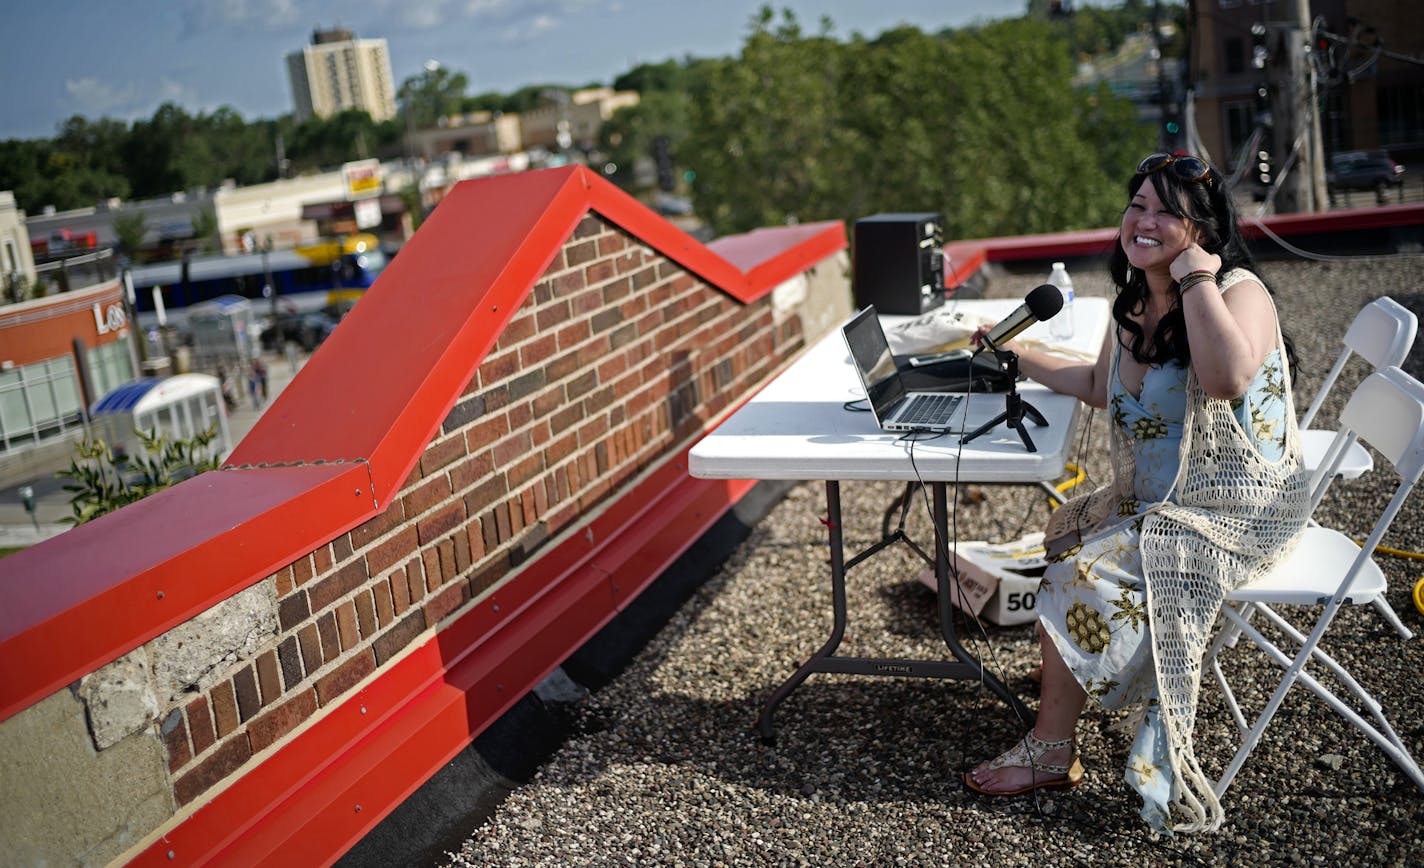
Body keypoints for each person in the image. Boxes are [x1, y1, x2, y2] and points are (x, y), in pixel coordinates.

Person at [964, 153, 1312, 834]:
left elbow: (1227, 381)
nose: (1143, 221)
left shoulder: (1238, 292)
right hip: (1161, 496)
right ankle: (1076, 672)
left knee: (1080, 568)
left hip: (1234, 511)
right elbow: (1100, 386)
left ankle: (1052, 746)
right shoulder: (1132, 301)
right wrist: (1017, 358)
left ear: (1202, 230)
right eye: (1137, 205)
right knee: (1063, 528)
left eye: (1165, 212)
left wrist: (1195, 278)